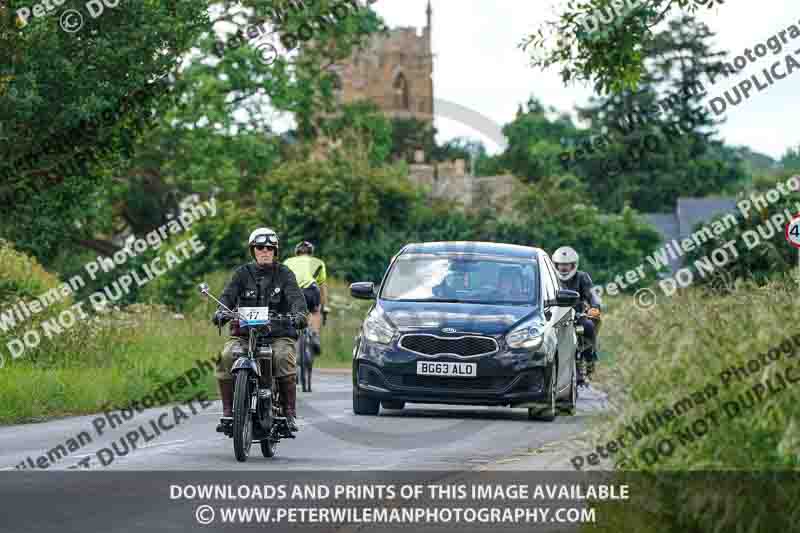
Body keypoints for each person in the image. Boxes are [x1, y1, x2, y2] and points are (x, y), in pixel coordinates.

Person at [212, 227, 308, 432]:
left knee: (282, 357)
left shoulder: (285, 273)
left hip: (278, 335)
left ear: (275, 251)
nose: (265, 251)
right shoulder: (241, 274)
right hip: (244, 335)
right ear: (253, 250)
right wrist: (221, 311)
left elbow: (296, 298)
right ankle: (229, 412)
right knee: (226, 356)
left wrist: (299, 314)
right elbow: (227, 296)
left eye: (269, 248)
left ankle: (288, 412)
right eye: (260, 247)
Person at [551, 246, 602, 385]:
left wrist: (595, 307)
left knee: (589, 326)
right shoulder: (550, 277)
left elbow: (592, 295)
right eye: (561, 264)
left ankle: (590, 359)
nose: (563, 268)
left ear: (573, 265)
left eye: (567, 264)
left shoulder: (582, 277)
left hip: (577, 315)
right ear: (555, 264)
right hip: (553, 317)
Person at [283, 241, 327, 392]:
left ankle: (291, 341)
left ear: (297, 253)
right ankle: (314, 335)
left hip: (293, 292)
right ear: (311, 252)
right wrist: (323, 307)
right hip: (310, 291)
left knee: (290, 316)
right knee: (315, 311)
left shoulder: (287, 262)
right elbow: (322, 288)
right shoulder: (318, 262)